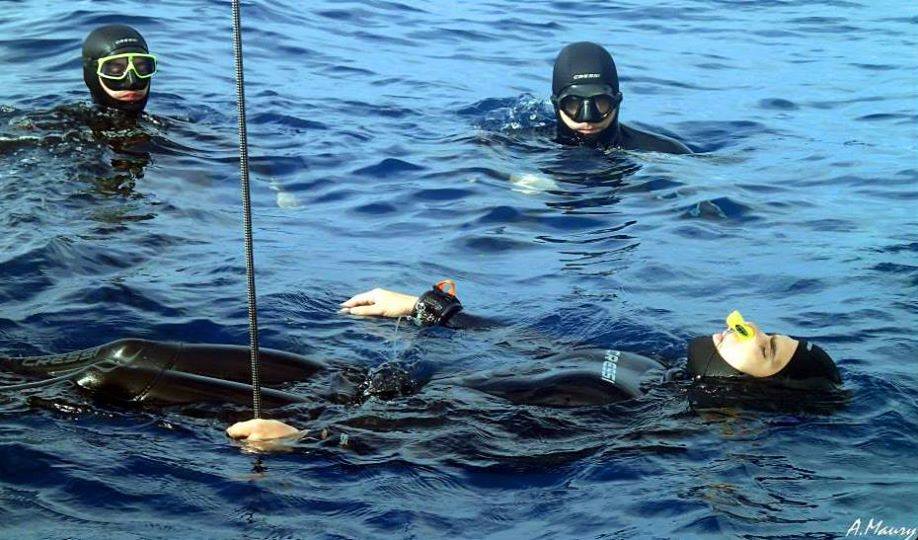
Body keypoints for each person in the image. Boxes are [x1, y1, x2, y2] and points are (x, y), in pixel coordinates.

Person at [551, 42, 691, 154]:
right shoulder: (532, 143)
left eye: (600, 103)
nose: (587, 118)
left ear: (617, 101)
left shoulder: (664, 152)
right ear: (556, 104)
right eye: (573, 105)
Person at [82, 24, 158, 114]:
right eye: (116, 70)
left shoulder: (169, 124)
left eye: (142, 69)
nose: (132, 82)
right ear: (91, 75)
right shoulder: (68, 123)